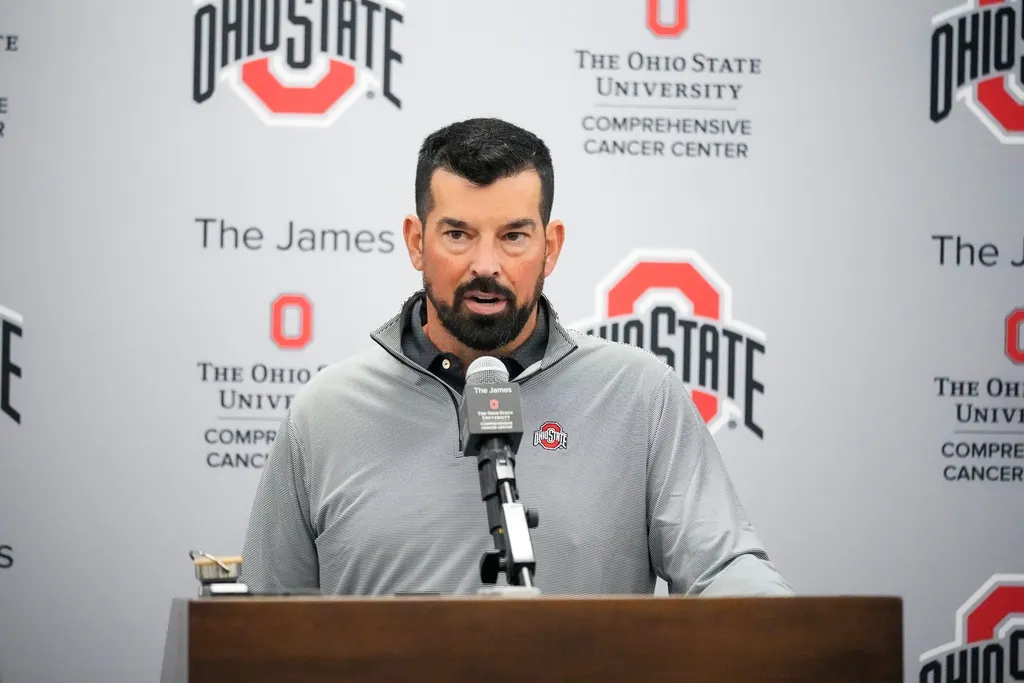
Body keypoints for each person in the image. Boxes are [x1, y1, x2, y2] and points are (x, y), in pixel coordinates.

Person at [238, 117, 793, 597]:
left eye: (514, 237)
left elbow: (725, 568)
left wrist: (796, 627)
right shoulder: (325, 412)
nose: (486, 264)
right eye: (457, 233)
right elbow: (261, 626)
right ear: (415, 241)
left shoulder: (639, 396)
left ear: (551, 245)